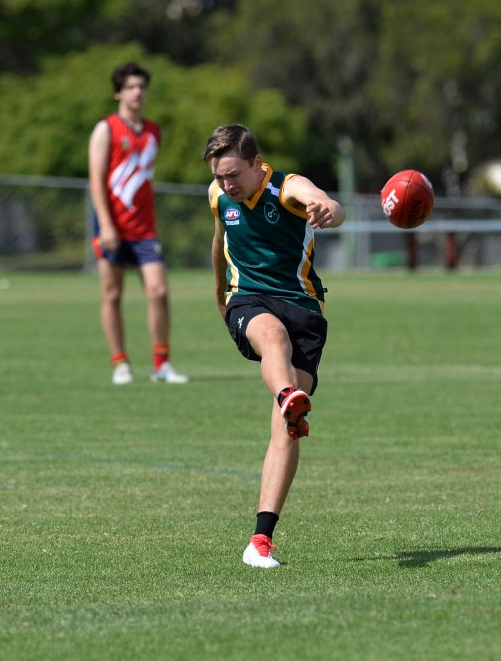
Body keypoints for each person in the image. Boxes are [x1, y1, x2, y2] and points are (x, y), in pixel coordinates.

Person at [202, 123, 345, 568]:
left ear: (256, 164)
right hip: (249, 300)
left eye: (233, 174)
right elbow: (219, 243)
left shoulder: (285, 188)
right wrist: (220, 298)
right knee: (272, 338)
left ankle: (260, 542)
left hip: (304, 309)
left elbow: (326, 202)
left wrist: (326, 208)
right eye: (219, 174)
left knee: (285, 430)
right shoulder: (218, 195)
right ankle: (288, 396)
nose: (226, 183)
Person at [88, 62, 187, 385]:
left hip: (144, 228)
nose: (137, 92)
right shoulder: (106, 129)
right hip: (112, 225)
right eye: (130, 87)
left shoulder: (154, 131)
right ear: (118, 92)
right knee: (112, 294)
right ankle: (120, 364)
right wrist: (106, 224)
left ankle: (161, 364)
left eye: (141, 86)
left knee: (158, 291)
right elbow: (96, 179)